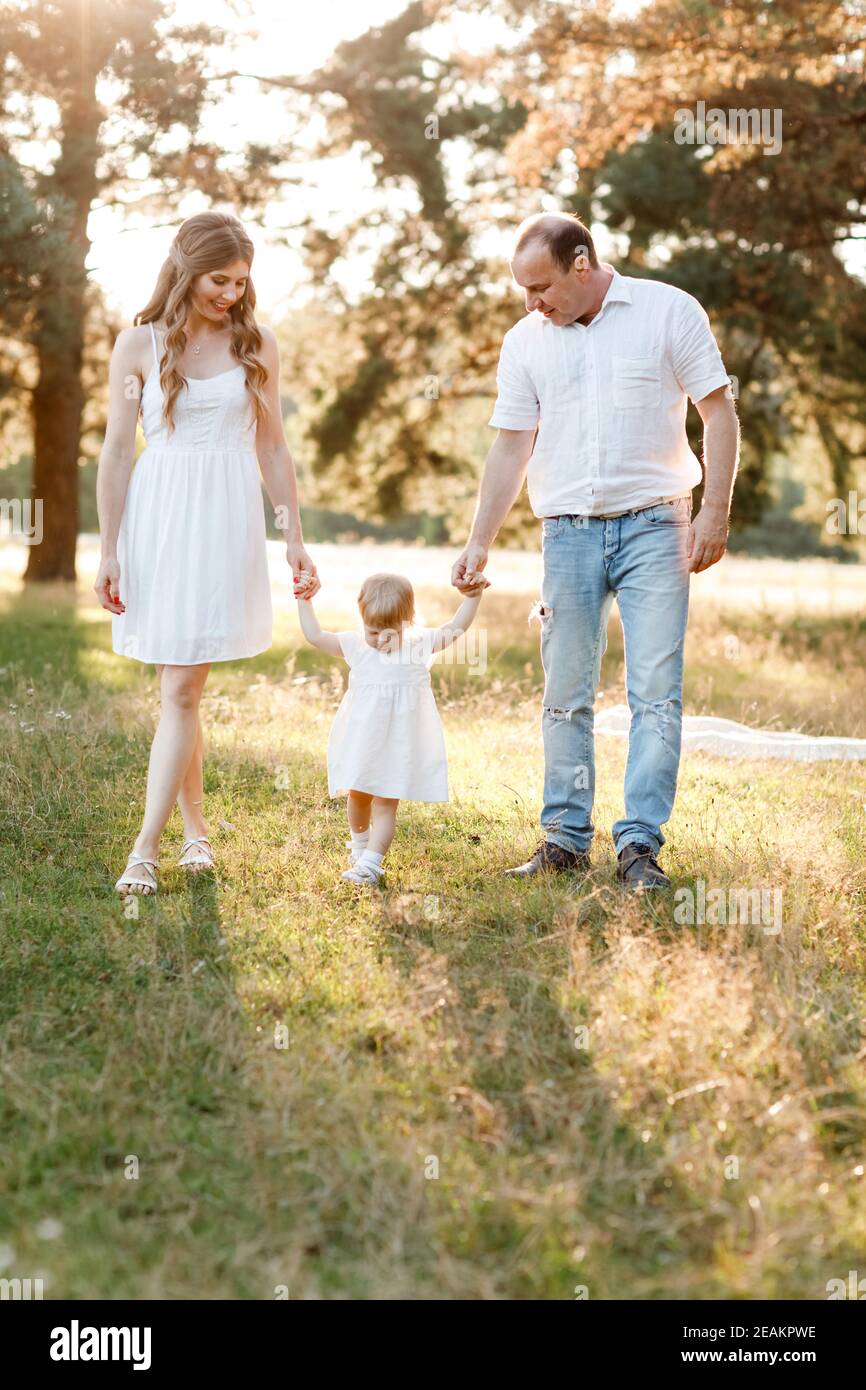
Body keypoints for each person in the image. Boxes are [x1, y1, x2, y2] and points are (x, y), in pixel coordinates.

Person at [452, 211, 739, 889]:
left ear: (582, 263)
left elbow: (718, 412)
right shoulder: (526, 343)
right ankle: (564, 839)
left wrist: (715, 512)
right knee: (564, 695)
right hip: (567, 534)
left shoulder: (668, 311)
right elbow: (511, 446)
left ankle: (639, 846)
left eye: (542, 285)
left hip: (657, 526)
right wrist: (478, 542)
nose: (532, 302)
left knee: (655, 696)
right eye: (523, 290)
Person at [94, 211, 319, 896]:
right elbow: (114, 452)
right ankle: (194, 833)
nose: (230, 293)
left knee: (182, 688)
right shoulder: (137, 345)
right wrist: (108, 549)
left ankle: (145, 849)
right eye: (219, 280)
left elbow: (273, 447)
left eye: (241, 282)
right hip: (158, 521)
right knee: (179, 690)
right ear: (186, 270)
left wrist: (295, 540)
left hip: (223, 519)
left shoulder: (258, 344)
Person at [296, 571, 485, 886]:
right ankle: (359, 848)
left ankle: (372, 863)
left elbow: (455, 629)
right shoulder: (355, 645)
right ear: (362, 620)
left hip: (398, 743)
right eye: (373, 631)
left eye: (391, 631)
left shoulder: (419, 643)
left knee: (385, 802)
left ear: (407, 621)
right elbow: (315, 636)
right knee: (356, 795)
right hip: (363, 739)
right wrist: (305, 600)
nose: (382, 638)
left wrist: (473, 597)